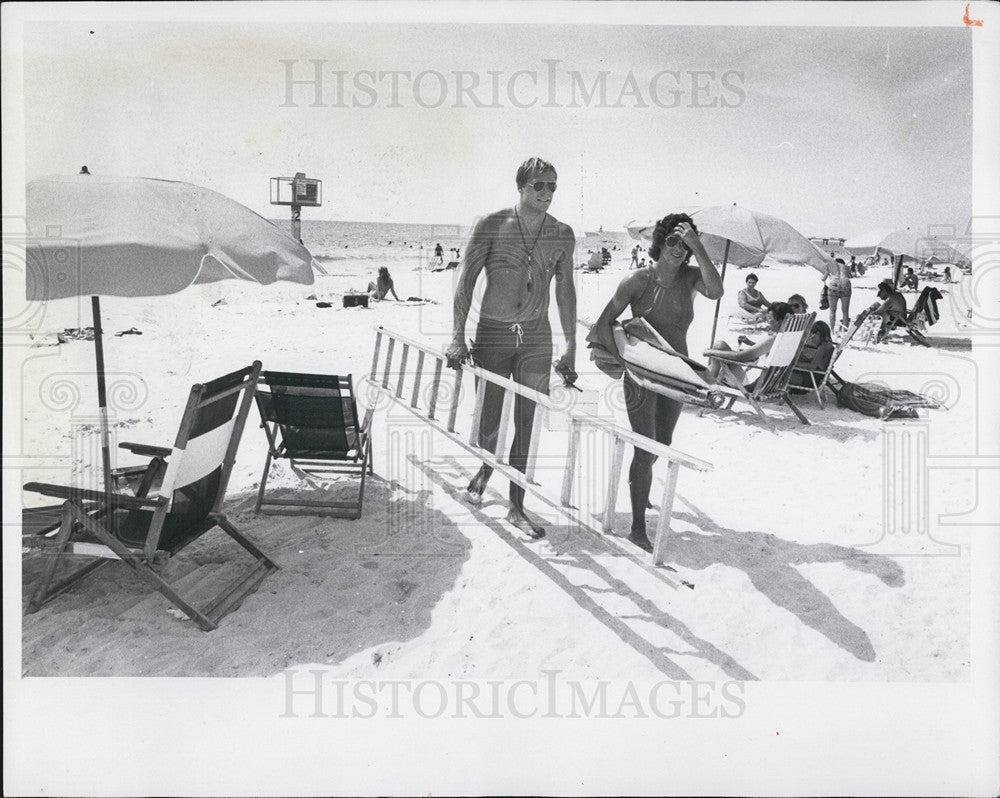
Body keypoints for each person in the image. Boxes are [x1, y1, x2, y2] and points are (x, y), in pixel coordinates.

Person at [445, 157, 577, 538]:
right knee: (488, 417)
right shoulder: (492, 225)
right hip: (493, 334)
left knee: (526, 420)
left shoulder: (563, 234)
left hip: (537, 336)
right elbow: (466, 282)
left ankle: (517, 505)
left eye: (553, 185)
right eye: (539, 185)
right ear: (521, 187)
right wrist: (457, 336)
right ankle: (487, 467)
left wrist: (570, 345)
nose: (547, 192)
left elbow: (565, 291)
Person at [591, 213, 723, 552]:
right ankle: (637, 527)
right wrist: (627, 363)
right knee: (645, 445)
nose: (679, 249)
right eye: (673, 241)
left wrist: (699, 246)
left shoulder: (692, 277)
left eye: (686, 243)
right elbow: (604, 323)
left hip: (677, 373)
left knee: (661, 443)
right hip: (643, 375)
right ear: (660, 243)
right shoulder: (637, 280)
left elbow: (717, 290)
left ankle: (639, 488)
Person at [704, 302, 795, 389]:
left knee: (719, 346)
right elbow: (758, 354)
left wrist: (710, 352)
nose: (767, 320)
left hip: (751, 384)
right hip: (765, 382)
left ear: (779, 321)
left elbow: (740, 357)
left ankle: (708, 383)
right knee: (721, 347)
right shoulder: (787, 338)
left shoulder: (774, 338)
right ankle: (710, 378)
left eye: (770, 317)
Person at [789, 320, 835, 391]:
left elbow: (811, 367)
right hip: (815, 378)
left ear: (818, 334)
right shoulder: (828, 345)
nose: (811, 338)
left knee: (779, 373)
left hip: (810, 380)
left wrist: (793, 364)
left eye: (811, 335)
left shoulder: (823, 347)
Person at [826, 257, 852, 331]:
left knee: (832, 310)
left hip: (833, 287)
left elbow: (823, 278)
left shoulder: (830, 267)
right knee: (845, 311)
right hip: (845, 286)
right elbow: (850, 275)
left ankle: (832, 330)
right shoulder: (846, 267)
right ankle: (845, 330)